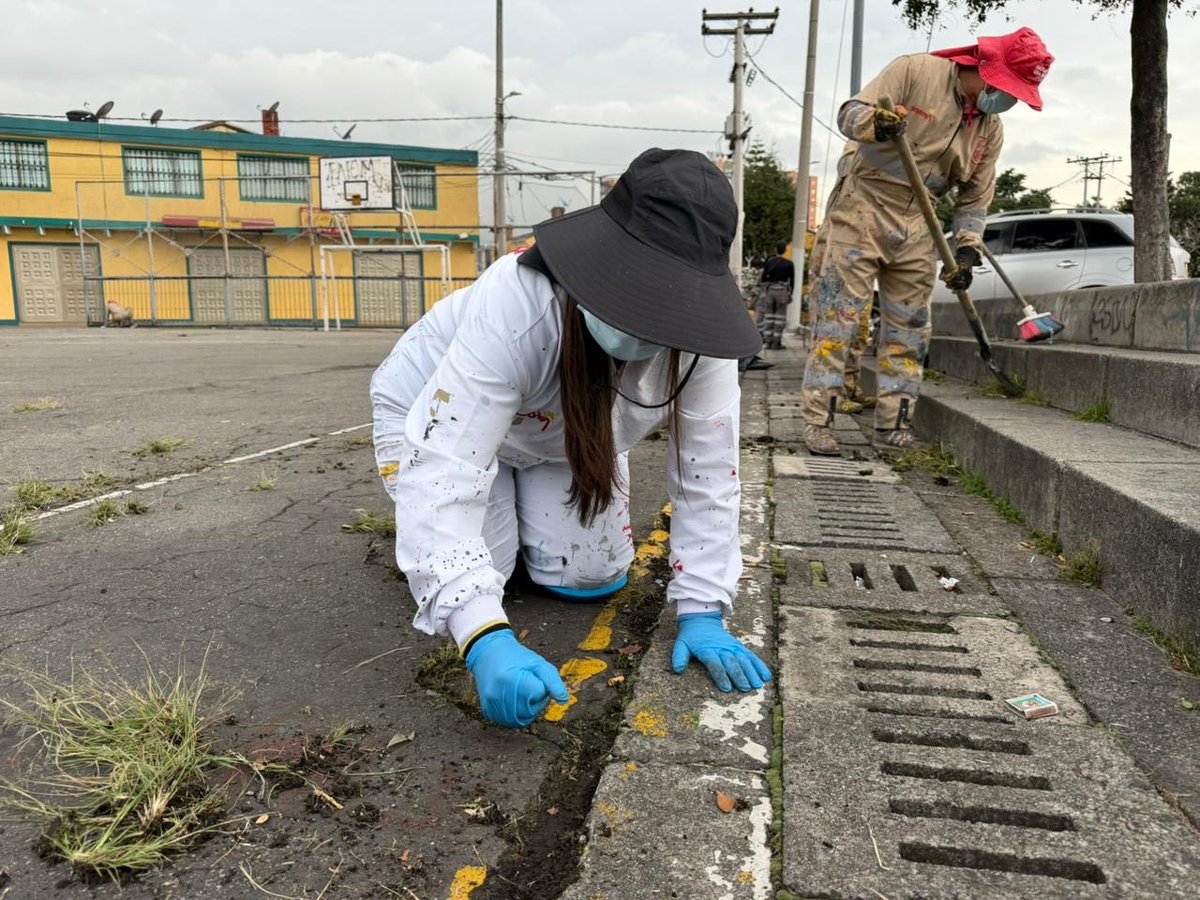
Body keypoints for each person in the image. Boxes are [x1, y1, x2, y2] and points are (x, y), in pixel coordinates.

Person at [370, 149, 773, 730]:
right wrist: (482, 635)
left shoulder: (704, 341)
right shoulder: (517, 303)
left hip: (557, 443)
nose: (647, 319)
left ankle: (522, 522)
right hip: (433, 416)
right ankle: (490, 542)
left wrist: (704, 607)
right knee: (491, 578)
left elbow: (708, 474)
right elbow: (445, 466)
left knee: (592, 576)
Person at [800, 26, 1053, 457]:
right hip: (864, 200)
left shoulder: (990, 130)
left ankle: (893, 426)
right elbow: (849, 114)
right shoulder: (916, 70)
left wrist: (967, 247)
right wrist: (875, 123)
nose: (1004, 99)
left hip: (921, 217)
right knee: (840, 317)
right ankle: (818, 421)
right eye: (1004, 88)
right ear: (983, 67)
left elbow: (975, 196)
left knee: (910, 327)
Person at [756, 241, 795, 350]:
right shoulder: (789, 264)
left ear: (776, 250)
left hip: (770, 292)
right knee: (780, 318)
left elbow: (763, 279)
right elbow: (792, 281)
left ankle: (767, 341)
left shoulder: (769, 262)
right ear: (785, 250)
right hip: (782, 292)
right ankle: (776, 342)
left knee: (768, 317)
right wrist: (790, 293)